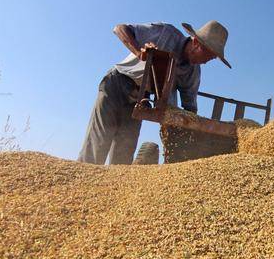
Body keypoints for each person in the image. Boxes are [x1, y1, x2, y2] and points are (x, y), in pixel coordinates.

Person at [78, 20, 231, 165]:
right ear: (197, 43)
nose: (205, 62)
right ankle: (81, 184)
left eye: (210, 59)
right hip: (116, 85)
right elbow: (120, 28)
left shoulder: (192, 72)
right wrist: (139, 52)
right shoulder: (166, 33)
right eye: (207, 56)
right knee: (97, 144)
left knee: (123, 154)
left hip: (140, 99)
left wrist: (189, 136)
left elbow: (190, 108)